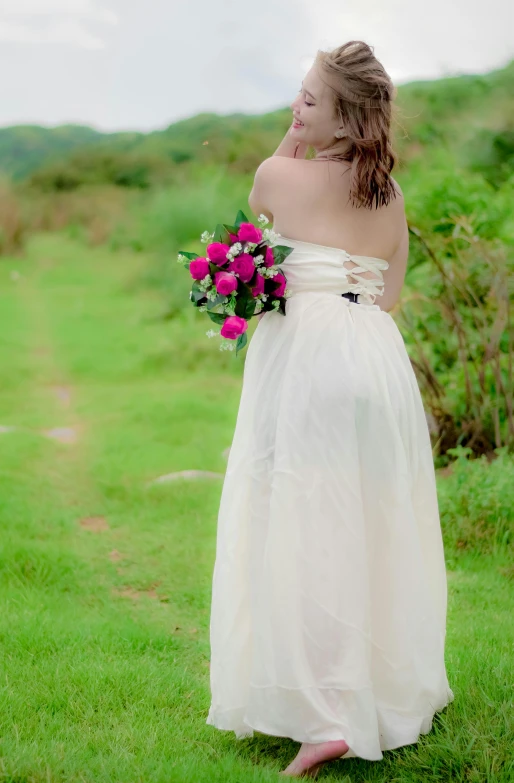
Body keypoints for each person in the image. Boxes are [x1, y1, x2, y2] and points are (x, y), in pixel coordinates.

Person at [206, 40, 454, 778]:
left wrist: (293, 141)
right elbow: (391, 296)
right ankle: (373, 692)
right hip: (376, 357)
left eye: (311, 99)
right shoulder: (392, 194)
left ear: (344, 113)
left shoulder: (277, 172)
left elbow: (254, 221)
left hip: (308, 355)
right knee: (371, 519)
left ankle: (323, 716)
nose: (297, 106)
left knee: (304, 521)